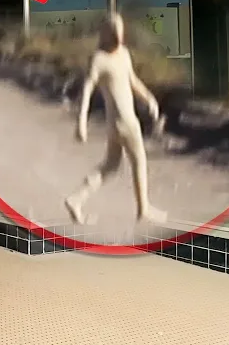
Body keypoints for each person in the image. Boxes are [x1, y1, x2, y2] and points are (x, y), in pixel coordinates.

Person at [65, 12, 167, 225]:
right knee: (139, 160)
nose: (118, 39)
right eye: (114, 34)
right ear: (106, 33)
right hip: (126, 122)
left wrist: (148, 98)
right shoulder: (99, 59)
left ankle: (76, 199)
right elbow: (87, 89)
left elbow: (132, 80)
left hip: (114, 125)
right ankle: (143, 209)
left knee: (111, 165)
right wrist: (81, 122)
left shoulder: (123, 55)